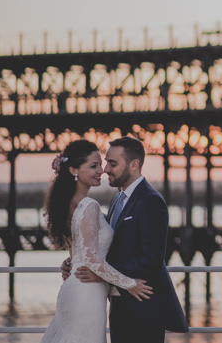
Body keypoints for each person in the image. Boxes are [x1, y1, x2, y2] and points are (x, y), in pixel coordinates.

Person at [72, 136, 189, 342]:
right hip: (119, 305)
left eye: (113, 163)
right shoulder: (117, 199)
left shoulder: (150, 201)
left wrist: (103, 274)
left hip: (143, 307)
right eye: (106, 162)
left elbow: (150, 259)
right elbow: (107, 246)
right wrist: (75, 261)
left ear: (134, 165)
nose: (106, 169)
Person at [41, 140, 153, 343]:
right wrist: (129, 284)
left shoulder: (70, 203)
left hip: (78, 288)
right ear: (74, 170)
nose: (101, 170)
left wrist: (71, 263)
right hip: (86, 293)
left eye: (100, 165)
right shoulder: (89, 205)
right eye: (93, 166)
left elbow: (80, 252)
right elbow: (92, 259)